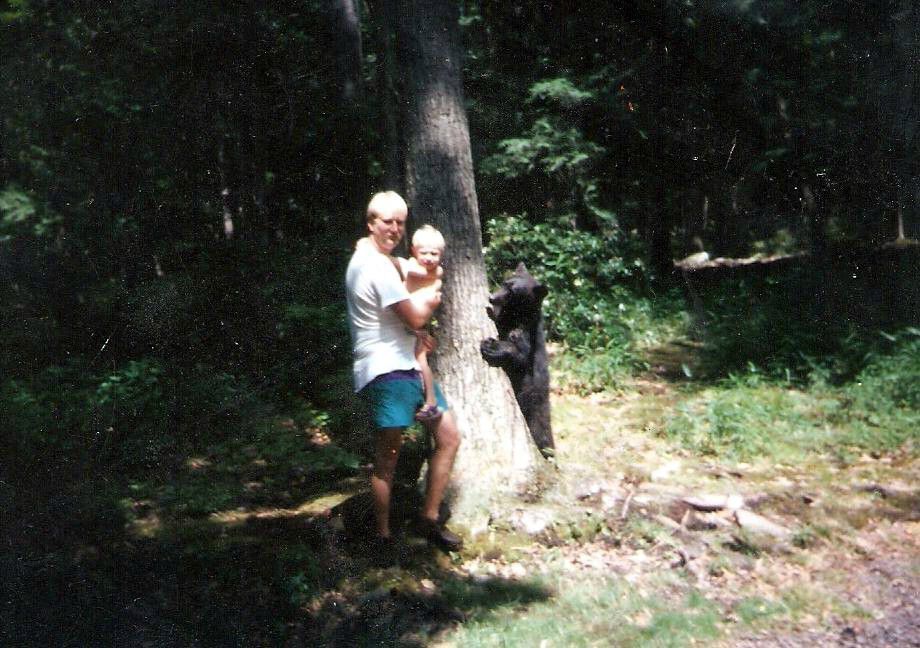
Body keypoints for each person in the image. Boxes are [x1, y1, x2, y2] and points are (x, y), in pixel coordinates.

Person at [345, 191, 462, 559]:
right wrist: (432, 299)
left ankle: (429, 519)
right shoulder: (373, 267)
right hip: (385, 371)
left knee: (449, 436)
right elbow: (414, 317)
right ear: (371, 223)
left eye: (400, 222)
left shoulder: (378, 258)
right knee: (388, 458)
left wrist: (428, 273)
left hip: (410, 364)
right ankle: (382, 537)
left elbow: (404, 268)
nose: (394, 229)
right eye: (387, 222)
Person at [359, 224, 446, 422]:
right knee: (417, 357)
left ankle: (431, 402)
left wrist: (371, 252)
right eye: (424, 253)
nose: (429, 258)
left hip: (418, 322)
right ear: (414, 251)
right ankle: (426, 399)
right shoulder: (415, 266)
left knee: (420, 357)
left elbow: (398, 265)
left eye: (435, 253)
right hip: (409, 322)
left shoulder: (425, 270)